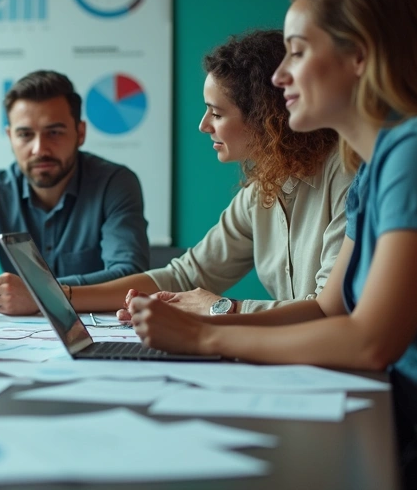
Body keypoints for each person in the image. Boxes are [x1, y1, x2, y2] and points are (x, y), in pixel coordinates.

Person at [131, 0, 417, 488]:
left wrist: (205, 335)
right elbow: (326, 310)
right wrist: (209, 330)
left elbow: (369, 340)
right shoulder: (372, 166)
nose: (280, 75)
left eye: (298, 51)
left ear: (359, 56)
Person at [47, 30, 352, 317]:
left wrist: (221, 308)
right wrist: (59, 295)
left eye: (216, 113)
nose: (204, 125)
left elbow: (328, 311)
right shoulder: (261, 191)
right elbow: (185, 275)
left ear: (266, 117)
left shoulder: (346, 174)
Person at [0, 70, 150, 317]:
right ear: (10, 137)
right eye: (25, 134)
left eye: (54, 132)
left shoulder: (114, 183)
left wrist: (42, 292)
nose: (39, 148)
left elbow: (130, 276)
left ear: (80, 133)